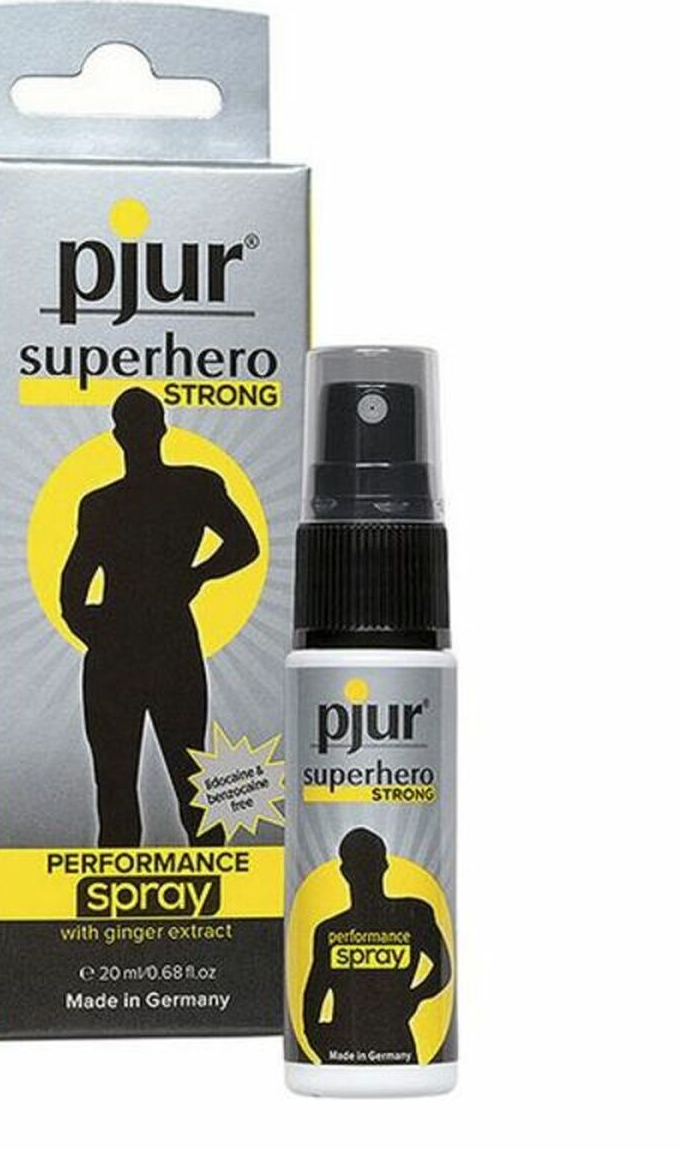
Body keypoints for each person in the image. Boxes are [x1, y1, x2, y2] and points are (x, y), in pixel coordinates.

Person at [59, 388, 259, 846]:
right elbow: (72, 588)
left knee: (182, 782)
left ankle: (205, 883)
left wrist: (196, 576)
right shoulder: (112, 502)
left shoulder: (184, 487)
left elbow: (245, 545)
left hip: (152, 646)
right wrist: (193, 577)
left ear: (121, 435)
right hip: (143, 646)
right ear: (156, 429)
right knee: (133, 786)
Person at [303, 828, 452, 1063]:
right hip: (344, 1041)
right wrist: (318, 1039)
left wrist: (412, 998)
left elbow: (443, 968)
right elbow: (314, 995)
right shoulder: (329, 930)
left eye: (370, 864)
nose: (366, 873)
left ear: (384, 865)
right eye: (360, 865)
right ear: (344, 871)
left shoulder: (413, 913)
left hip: (395, 1040)